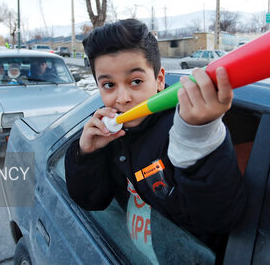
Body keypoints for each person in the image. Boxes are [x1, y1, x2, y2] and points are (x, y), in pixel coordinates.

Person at [64, 19, 245, 259]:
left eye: (136, 81)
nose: (123, 98)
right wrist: (85, 154)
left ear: (159, 80)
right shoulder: (107, 132)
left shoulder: (185, 129)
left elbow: (217, 219)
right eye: (108, 85)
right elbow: (90, 200)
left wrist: (198, 136)